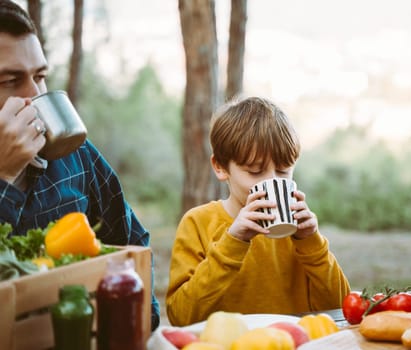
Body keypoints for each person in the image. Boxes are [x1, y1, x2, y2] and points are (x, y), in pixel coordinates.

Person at [0, 0, 159, 330]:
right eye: (10, 80)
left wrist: (144, 328)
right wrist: (3, 175)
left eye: (40, 76)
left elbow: (133, 246)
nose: (35, 94)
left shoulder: (77, 157)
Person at [166, 96, 351, 326]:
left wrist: (313, 244)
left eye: (283, 171)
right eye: (255, 171)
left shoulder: (300, 236)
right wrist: (233, 241)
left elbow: (342, 310)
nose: (271, 180)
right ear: (220, 167)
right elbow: (181, 317)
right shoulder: (198, 223)